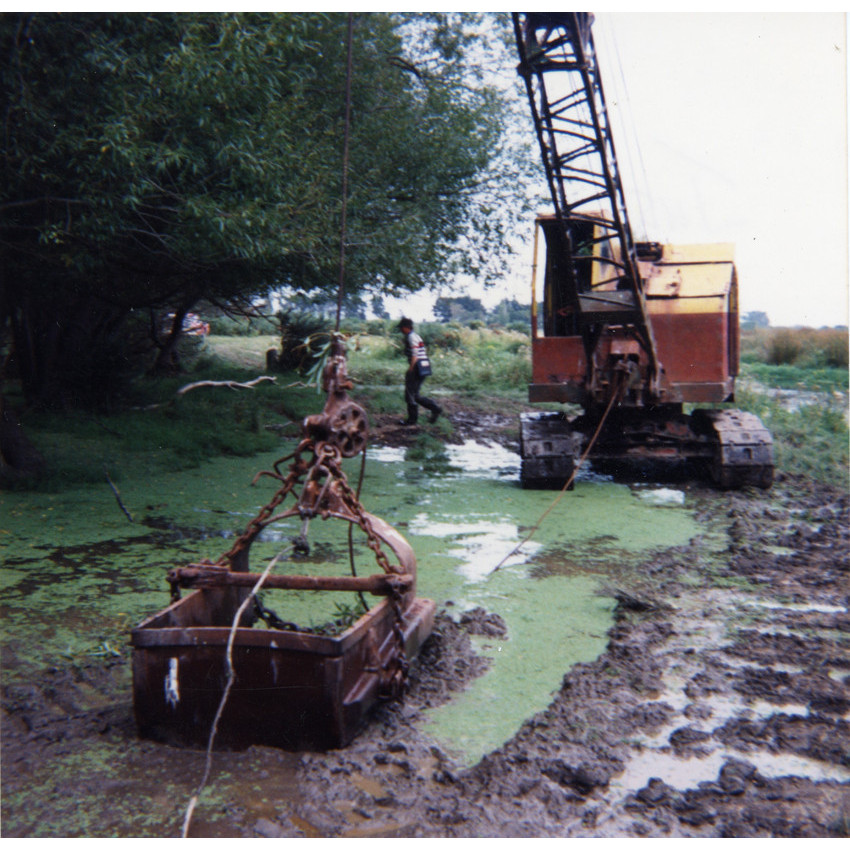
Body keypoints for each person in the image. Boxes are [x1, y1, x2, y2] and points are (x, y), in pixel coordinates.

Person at [397, 318, 442, 426]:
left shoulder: (411, 337)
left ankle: (412, 420)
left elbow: (415, 354)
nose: (401, 330)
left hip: (417, 367)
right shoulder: (416, 336)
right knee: (415, 395)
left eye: (402, 328)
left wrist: (411, 369)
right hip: (424, 366)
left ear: (406, 327)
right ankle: (435, 408)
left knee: (410, 394)